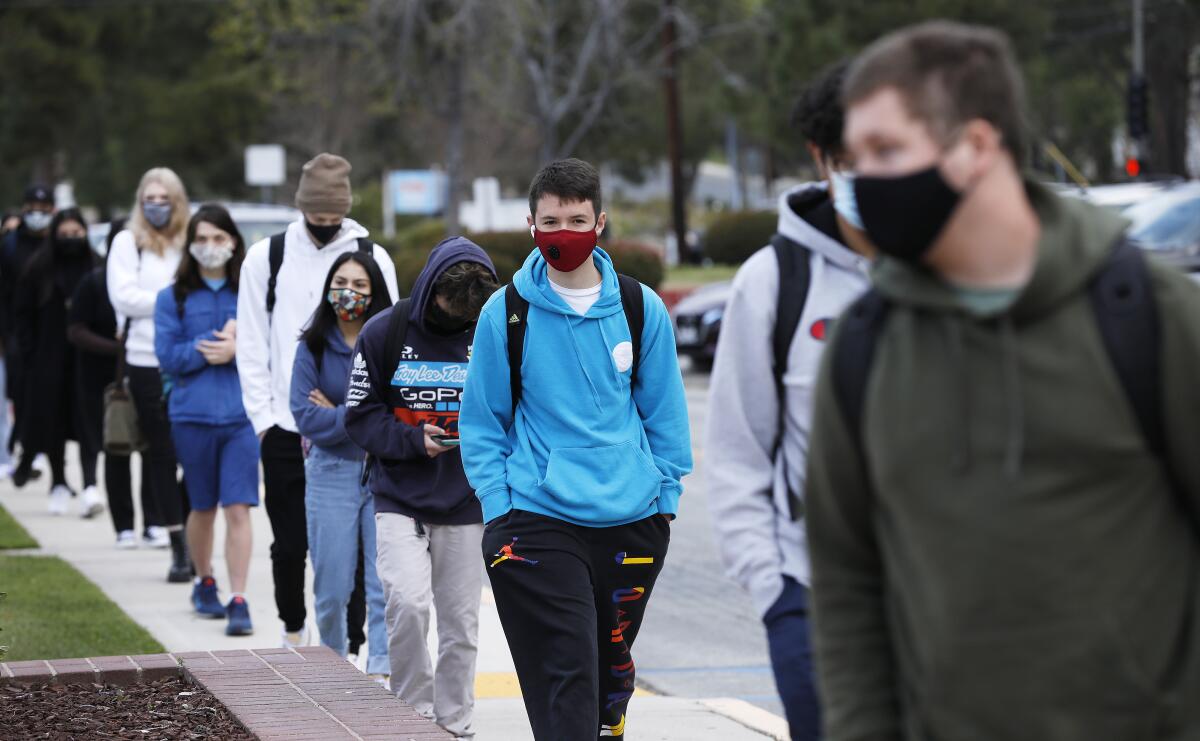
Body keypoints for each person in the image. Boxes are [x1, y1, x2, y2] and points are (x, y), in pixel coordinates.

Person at [805, 21, 1200, 741]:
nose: (860, 183)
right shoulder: (864, 347)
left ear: (977, 147)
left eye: (887, 151)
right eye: (853, 158)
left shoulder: (1151, 317)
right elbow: (846, 588)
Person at [459, 158, 692, 740]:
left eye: (577, 219)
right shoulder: (506, 312)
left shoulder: (641, 309)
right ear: (531, 225)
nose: (564, 231)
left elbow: (665, 414)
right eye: (551, 219)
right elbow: (483, 421)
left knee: (608, 683)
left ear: (600, 222)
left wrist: (664, 496)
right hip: (537, 521)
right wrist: (498, 508)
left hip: (633, 520)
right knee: (567, 673)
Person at [704, 60, 872, 741]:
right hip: (813, 602)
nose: (873, 176)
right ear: (821, 158)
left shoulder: (955, 275)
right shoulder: (772, 284)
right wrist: (776, 596)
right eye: (852, 159)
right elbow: (736, 453)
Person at [236, 153, 399, 647]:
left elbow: (390, 337)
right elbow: (252, 341)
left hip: (357, 439)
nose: (325, 227)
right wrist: (264, 420)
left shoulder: (372, 254)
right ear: (302, 206)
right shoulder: (268, 256)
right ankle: (292, 628)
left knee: (349, 558)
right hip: (287, 426)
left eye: (334, 219)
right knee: (290, 546)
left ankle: (346, 647)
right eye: (317, 217)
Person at [344, 238, 498, 737]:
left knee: (461, 625)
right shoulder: (384, 332)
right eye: (449, 311)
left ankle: (455, 721)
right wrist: (413, 440)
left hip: (466, 500)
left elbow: (514, 412)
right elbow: (360, 416)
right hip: (398, 496)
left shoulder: (490, 333)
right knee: (407, 605)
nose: (455, 321)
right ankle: (412, 713)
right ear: (431, 290)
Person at [154, 204, 258, 636]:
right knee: (202, 505)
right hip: (191, 417)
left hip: (242, 417)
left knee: (238, 506)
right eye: (202, 239)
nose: (210, 247)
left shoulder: (250, 293)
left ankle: (238, 599)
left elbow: (268, 350)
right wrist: (208, 346)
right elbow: (168, 357)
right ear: (190, 244)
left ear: (233, 242)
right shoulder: (172, 297)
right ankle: (204, 581)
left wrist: (240, 348)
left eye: (219, 238)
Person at [292, 250, 395, 681]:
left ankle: (383, 670)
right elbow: (303, 415)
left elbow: (395, 412)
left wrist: (340, 411)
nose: (347, 293)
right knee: (332, 587)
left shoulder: (390, 341)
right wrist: (359, 416)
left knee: (385, 584)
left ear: (374, 295)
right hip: (329, 472)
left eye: (358, 285)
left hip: (385, 473)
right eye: (341, 283)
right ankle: (332, 666)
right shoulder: (312, 345)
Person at [107, 167, 191, 582]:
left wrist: (163, 303)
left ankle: (193, 532)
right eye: (149, 199)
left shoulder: (189, 241)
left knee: (192, 453)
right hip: (144, 361)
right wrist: (173, 300)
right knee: (160, 452)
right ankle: (176, 543)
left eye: (164, 199)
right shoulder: (128, 242)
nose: (156, 206)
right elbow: (123, 297)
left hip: (189, 359)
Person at [68, 218, 160, 548]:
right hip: (110, 383)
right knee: (117, 449)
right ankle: (124, 526)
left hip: (151, 375)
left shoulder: (156, 283)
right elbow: (75, 328)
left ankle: (154, 522)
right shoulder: (94, 283)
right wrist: (117, 346)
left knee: (154, 452)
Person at [12, 207, 101, 516]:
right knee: (52, 423)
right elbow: (21, 315)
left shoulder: (95, 267)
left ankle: (90, 484)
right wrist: (30, 353)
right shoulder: (39, 268)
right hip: (47, 359)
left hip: (87, 360)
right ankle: (59, 481)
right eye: (65, 235)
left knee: (88, 422)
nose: (71, 240)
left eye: (77, 234)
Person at [2, 184, 56, 484]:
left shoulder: (57, 242)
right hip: (16, 331)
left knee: (45, 394)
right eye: (33, 208)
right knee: (20, 392)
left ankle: (33, 453)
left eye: (44, 208)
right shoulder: (10, 244)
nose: (38, 214)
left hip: (50, 332)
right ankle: (23, 447)